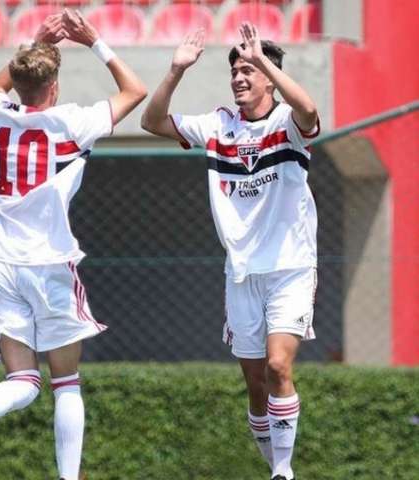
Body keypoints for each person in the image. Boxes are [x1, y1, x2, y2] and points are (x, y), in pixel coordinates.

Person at [0, 10, 146, 480]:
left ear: (19, 86)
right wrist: (94, 40)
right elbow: (135, 91)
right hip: (50, 265)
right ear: (54, 88)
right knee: (66, 383)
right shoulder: (71, 122)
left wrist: (33, 41)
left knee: (22, 379)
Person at [141, 23, 319, 480]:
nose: (239, 78)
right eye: (235, 71)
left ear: (267, 75)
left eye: (248, 70)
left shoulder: (287, 124)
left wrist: (264, 60)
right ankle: (272, 464)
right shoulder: (218, 126)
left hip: (290, 267)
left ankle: (283, 470)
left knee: (280, 366)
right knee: (256, 382)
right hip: (240, 273)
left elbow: (309, 108)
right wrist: (176, 70)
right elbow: (152, 121)